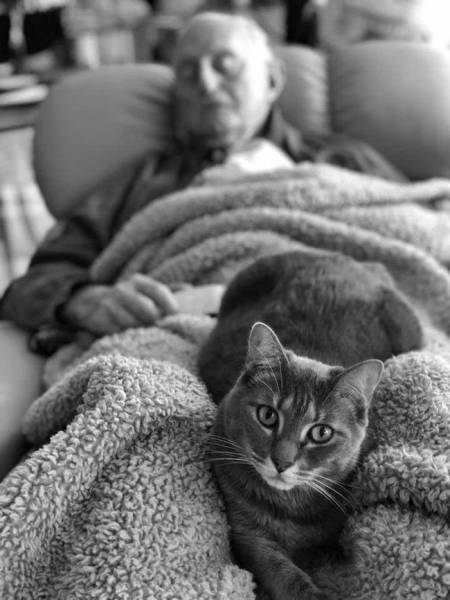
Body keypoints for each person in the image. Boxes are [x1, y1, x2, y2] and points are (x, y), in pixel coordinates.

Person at [0, 10, 402, 479]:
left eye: (225, 66)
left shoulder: (342, 160)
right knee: (135, 426)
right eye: (188, 74)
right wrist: (81, 299)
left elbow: (416, 234)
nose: (207, 85)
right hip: (182, 338)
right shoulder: (145, 181)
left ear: (272, 78)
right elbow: (35, 281)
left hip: (341, 329)